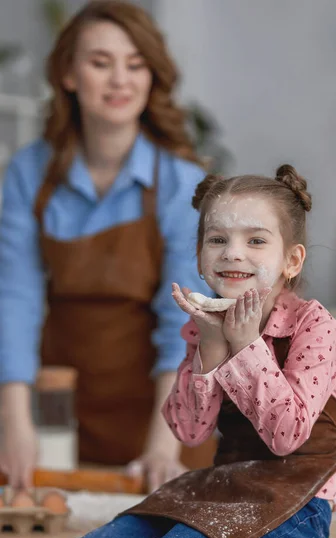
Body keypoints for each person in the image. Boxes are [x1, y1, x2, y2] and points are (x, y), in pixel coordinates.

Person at [43, 165, 336, 538]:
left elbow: (288, 437)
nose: (232, 253)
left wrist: (244, 348)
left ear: (292, 260)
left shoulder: (313, 325)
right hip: (223, 486)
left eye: (256, 240)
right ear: (201, 254)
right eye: (217, 239)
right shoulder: (203, 326)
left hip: (299, 509)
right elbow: (189, 432)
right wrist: (210, 347)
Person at [0, 0, 215, 493]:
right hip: (55, 422)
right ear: (69, 75)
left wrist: (165, 446)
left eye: (135, 64)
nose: (120, 80)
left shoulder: (183, 183)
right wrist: (15, 423)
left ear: (152, 76)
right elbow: (15, 301)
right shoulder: (30, 173)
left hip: (162, 418)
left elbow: (183, 323)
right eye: (101, 62)